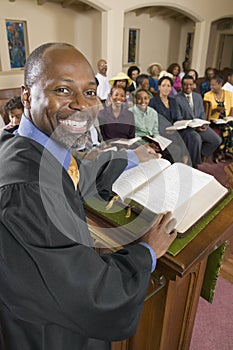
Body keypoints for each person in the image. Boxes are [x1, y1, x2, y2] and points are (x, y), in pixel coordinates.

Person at [0, 42, 177, 350]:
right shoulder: (28, 191)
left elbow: (82, 173)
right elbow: (90, 293)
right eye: (63, 91)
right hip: (48, 333)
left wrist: (132, 157)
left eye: (91, 92)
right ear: (27, 96)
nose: (82, 104)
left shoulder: (26, 144)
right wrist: (146, 252)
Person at [175, 75, 222, 167]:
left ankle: (198, 155)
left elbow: (202, 113)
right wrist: (193, 126)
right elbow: (178, 118)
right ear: (181, 85)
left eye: (190, 84)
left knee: (217, 140)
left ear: (194, 85)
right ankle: (194, 164)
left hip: (200, 125)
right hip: (187, 128)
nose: (188, 87)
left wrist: (202, 123)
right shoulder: (176, 99)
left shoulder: (197, 96)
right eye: (185, 85)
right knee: (196, 138)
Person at [149, 76, 190, 165]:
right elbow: (152, 121)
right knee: (178, 147)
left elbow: (178, 117)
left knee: (189, 136)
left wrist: (180, 124)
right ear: (159, 87)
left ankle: (185, 164)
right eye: (163, 85)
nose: (166, 88)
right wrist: (167, 128)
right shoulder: (153, 102)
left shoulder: (173, 101)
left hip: (174, 129)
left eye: (168, 86)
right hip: (161, 131)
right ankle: (179, 165)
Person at [203, 74, 233, 160]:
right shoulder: (207, 95)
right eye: (210, 84)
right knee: (228, 129)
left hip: (226, 119)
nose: (211, 87)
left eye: (213, 85)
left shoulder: (229, 94)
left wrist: (229, 118)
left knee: (229, 126)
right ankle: (221, 153)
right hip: (213, 120)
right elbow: (206, 113)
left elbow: (231, 108)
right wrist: (216, 110)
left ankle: (225, 151)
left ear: (220, 84)